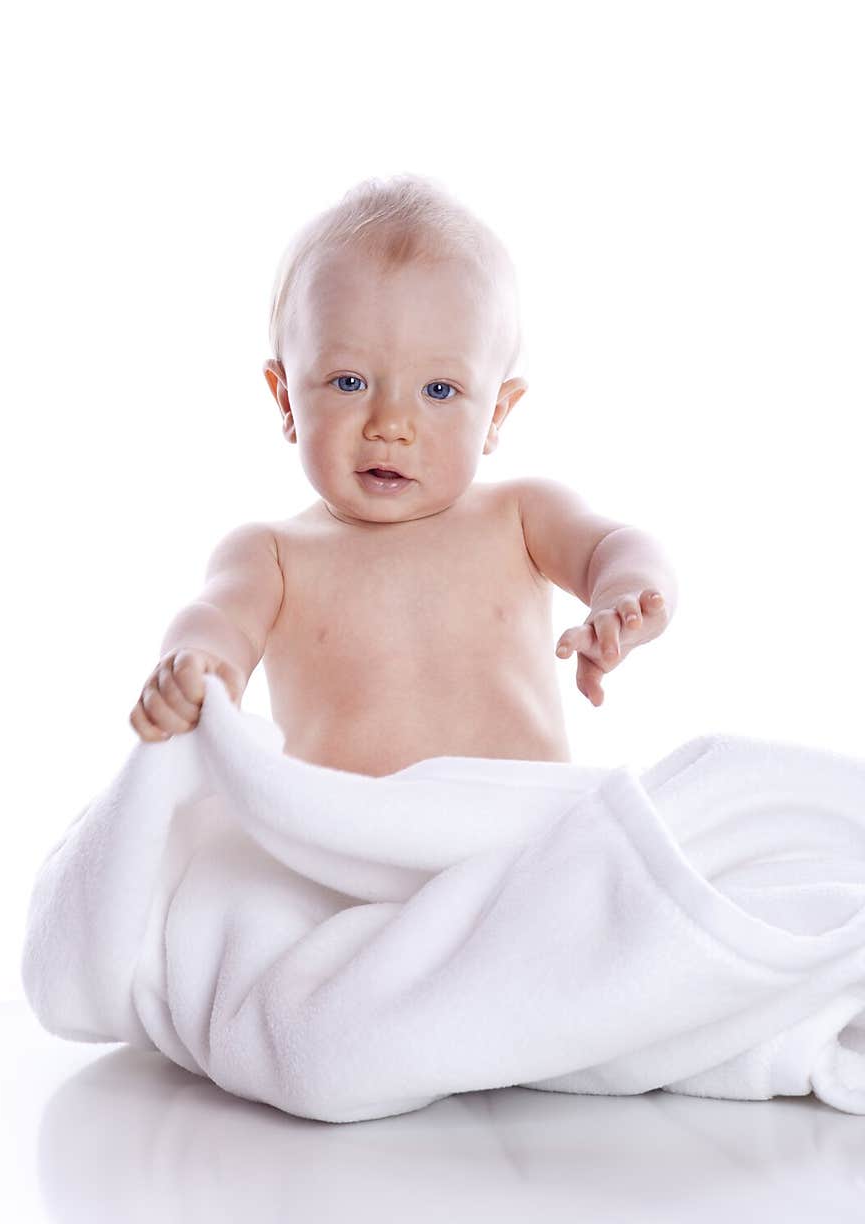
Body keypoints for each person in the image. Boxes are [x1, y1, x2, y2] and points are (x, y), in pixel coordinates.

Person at [129, 173, 677, 776]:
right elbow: (218, 616)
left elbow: (616, 545)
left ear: (496, 414)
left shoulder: (522, 518)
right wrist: (197, 661)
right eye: (349, 382)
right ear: (286, 399)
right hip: (350, 847)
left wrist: (626, 598)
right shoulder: (273, 555)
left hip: (524, 838)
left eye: (439, 390)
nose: (391, 424)